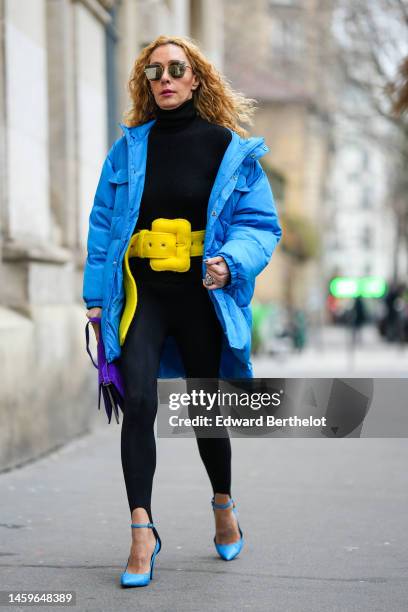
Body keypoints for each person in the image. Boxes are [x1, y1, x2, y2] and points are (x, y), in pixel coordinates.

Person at [82, 35, 282, 587]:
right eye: (154, 71)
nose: (165, 78)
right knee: (139, 398)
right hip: (141, 294)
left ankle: (223, 504)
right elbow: (103, 226)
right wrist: (97, 298)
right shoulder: (126, 149)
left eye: (176, 68)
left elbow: (259, 226)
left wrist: (230, 264)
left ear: (195, 78)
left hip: (201, 294)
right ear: (146, 83)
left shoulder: (228, 147)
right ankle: (141, 531)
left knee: (205, 407)